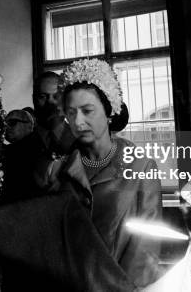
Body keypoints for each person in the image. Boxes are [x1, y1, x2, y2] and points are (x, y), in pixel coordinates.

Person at [48, 58, 163, 288]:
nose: (78, 121)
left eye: (87, 111)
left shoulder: (141, 167)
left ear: (109, 110)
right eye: (71, 112)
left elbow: (145, 250)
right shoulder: (58, 170)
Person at [2, 72, 75, 199]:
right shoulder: (14, 153)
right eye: (43, 96)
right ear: (33, 99)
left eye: (56, 96)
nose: (50, 103)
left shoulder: (83, 143)